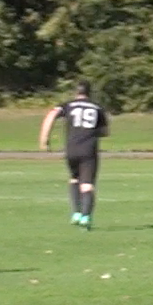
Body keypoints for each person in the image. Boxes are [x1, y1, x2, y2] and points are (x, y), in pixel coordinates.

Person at [38, 81, 109, 230]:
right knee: (87, 185)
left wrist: (45, 138)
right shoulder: (97, 108)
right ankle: (85, 216)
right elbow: (105, 132)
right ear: (90, 93)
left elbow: (51, 115)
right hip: (88, 150)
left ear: (76, 92)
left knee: (74, 179)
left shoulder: (68, 105)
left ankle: (76, 213)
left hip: (71, 150)